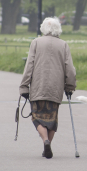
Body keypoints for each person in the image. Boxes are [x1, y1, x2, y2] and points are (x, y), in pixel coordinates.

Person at [19, 17, 76, 159]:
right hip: (55, 89)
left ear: (43, 28)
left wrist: (24, 86)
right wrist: (70, 86)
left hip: (38, 87)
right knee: (52, 119)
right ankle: (48, 145)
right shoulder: (63, 45)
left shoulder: (36, 42)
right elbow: (70, 69)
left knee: (37, 117)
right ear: (58, 29)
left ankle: (45, 141)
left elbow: (29, 66)